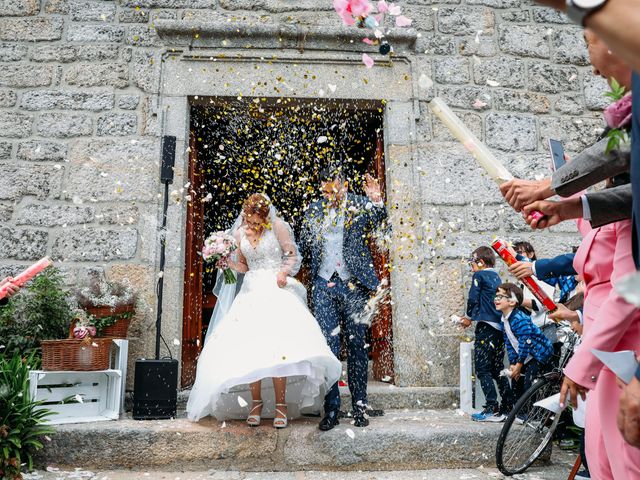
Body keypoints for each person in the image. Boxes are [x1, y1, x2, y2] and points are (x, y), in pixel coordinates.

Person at [186, 193, 342, 428]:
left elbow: (292, 255)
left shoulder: (278, 227)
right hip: (250, 291)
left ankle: (281, 405)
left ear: (265, 215)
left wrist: (283, 272)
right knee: (253, 348)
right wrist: (225, 261)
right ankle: (255, 403)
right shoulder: (239, 233)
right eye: (249, 220)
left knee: (277, 349)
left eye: (256, 220)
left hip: (275, 290)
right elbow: (243, 265)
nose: (251, 225)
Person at [299, 166, 387, 431]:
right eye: (325, 192)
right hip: (323, 285)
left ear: (345, 186)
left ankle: (360, 405)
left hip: (355, 286)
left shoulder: (361, 204)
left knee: (357, 345)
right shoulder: (313, 209)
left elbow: (384, 226)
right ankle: (332, 409)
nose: (329, 196)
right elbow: (302, 247)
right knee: (328, 347)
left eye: (333, 191)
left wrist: (378, 202)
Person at [557, 215, 640, 479]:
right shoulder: (602, 212)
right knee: (599, 456)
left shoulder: (626, 207)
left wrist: (581, 365)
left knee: (626, 461)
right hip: (601, 355)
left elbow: (628, 292)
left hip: (624, 353)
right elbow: (582, 210)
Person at [460, 246, 513, 422]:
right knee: (497, 367)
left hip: (486, 327)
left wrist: (467, 317)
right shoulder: (496, 276)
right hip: (499, 327)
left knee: (482, 368)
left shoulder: (480, 275)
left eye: (472, 263)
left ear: (481, 262)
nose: (471, 268)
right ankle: (507, 406)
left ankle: (492, 407)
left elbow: (473, 298)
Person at [494, 283, 554, 400]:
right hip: (525, 355)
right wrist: (513, 363)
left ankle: (532, 413)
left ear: (512, 302)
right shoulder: (504, 320)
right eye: (496, 296)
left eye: (500, 297)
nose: (496, 299)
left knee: (529, 385)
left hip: (538, 355)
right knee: (516, 383)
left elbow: (525, 341)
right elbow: (509, 343)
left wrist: (519, 363)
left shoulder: (519, 318)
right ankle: (520, 413)